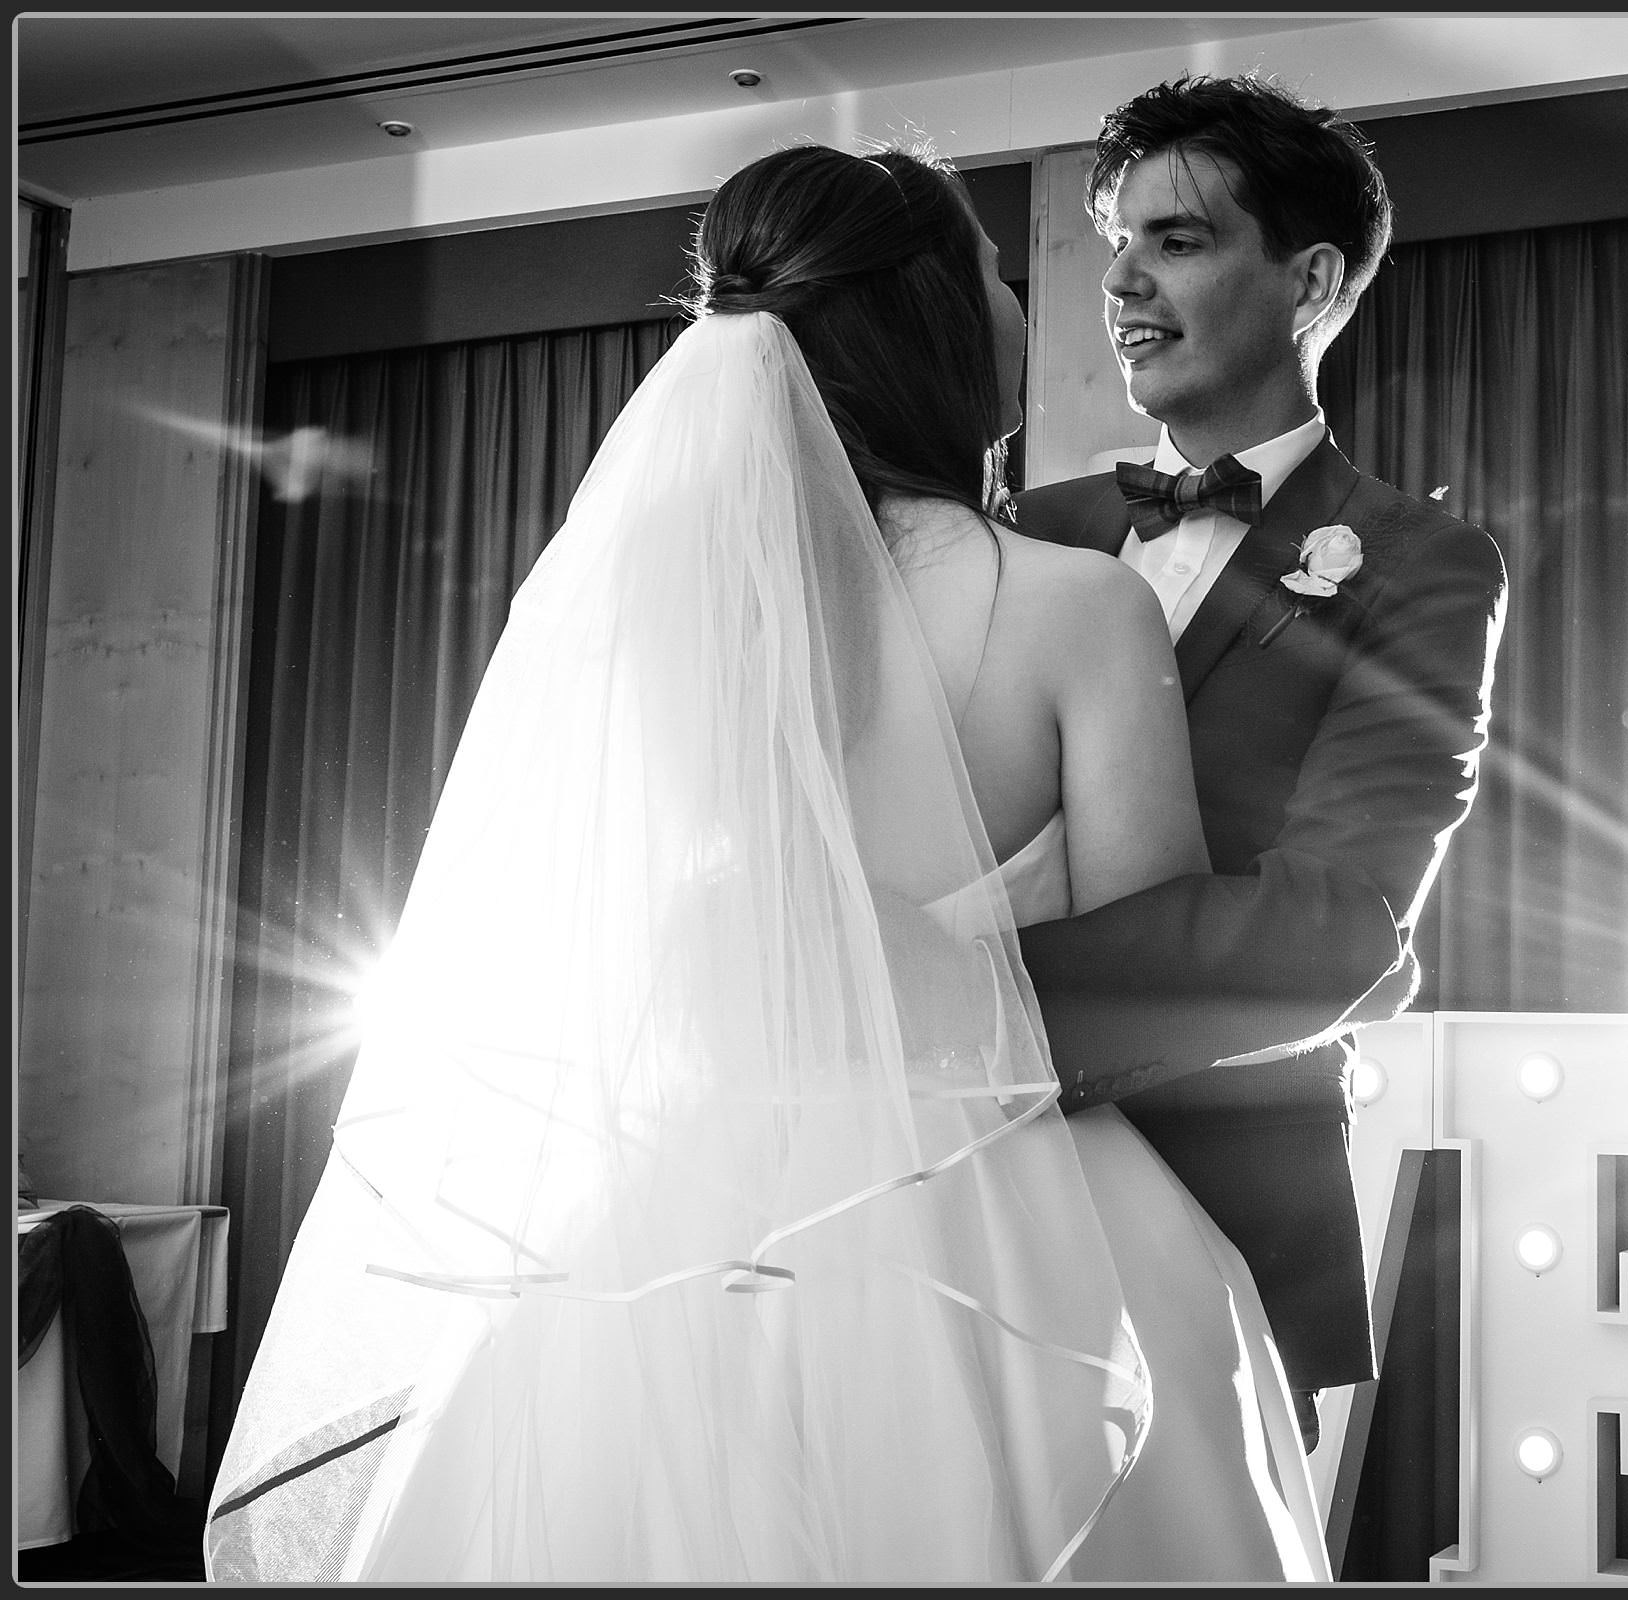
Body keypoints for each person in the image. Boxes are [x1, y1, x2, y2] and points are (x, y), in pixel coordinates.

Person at [202, 142, 1323, 1583]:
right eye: (989, 268)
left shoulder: (656, 586)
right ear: (930, 317)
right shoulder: (1073, 606)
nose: (1018, 294)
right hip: (1026, 1204)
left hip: (696, 1205)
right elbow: (1144, 967)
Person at [1011, 73, 1508, 1460]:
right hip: (957, 1193)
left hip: (1218, 1211)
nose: (1121, 281)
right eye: (1116, 240)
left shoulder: (1420, 564)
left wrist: (961, 994)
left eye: (1176, 240)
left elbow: (1339, 930)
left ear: (1310, 279)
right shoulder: (1027, 530)